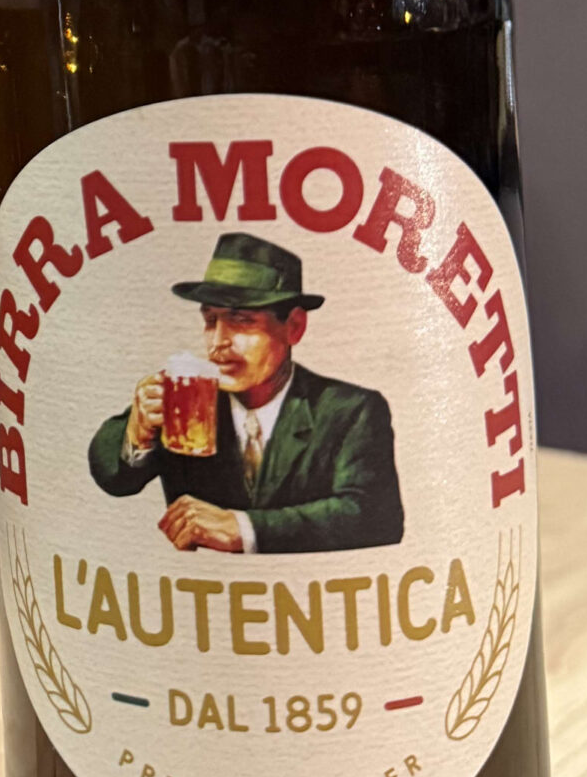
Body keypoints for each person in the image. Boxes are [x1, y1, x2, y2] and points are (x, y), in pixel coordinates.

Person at [87, 233, 404, 553]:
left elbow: (373, 515)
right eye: (210, 320)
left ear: (294, 326)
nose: (217, 342)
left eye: (241, 320)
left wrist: (243, 529)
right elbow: (113, 477)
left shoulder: (349, 411)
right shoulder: (189, 399)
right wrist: (137, 436)